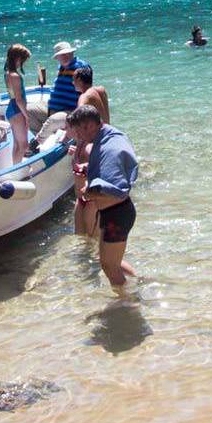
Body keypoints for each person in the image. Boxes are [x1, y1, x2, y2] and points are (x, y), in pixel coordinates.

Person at [66, 105, 140, 296]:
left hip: (117, 215)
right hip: (115, 214)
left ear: (90, 125)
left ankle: (127, 302)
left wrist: (89, 193)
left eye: (79, 131)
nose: (79, 137)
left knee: (109, 267)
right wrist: (89, 169)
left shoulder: (108, 147)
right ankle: (138, 281)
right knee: (108, 260)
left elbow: (117, 191)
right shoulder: (106, 137)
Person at [2, 44, 40, 154]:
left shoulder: (7, 73)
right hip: (17, 110)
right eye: (23, 60)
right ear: (18, 58)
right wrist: (26, 116)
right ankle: (25, 168)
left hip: (11, 109)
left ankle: (16, 165)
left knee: (17, 144)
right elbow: (19, 99)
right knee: (24, 144)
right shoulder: (15, 76)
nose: (23, 63)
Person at [47, 41, 89, 115]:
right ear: (57, 58)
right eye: (62, 55)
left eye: (68, 53)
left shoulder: (80, 67)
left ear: (72, 53)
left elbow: (86, 91)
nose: (65, 56)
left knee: (49, 124)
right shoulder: (61, 67)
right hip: (54, 109)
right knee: (29, 111)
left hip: (69, 110)